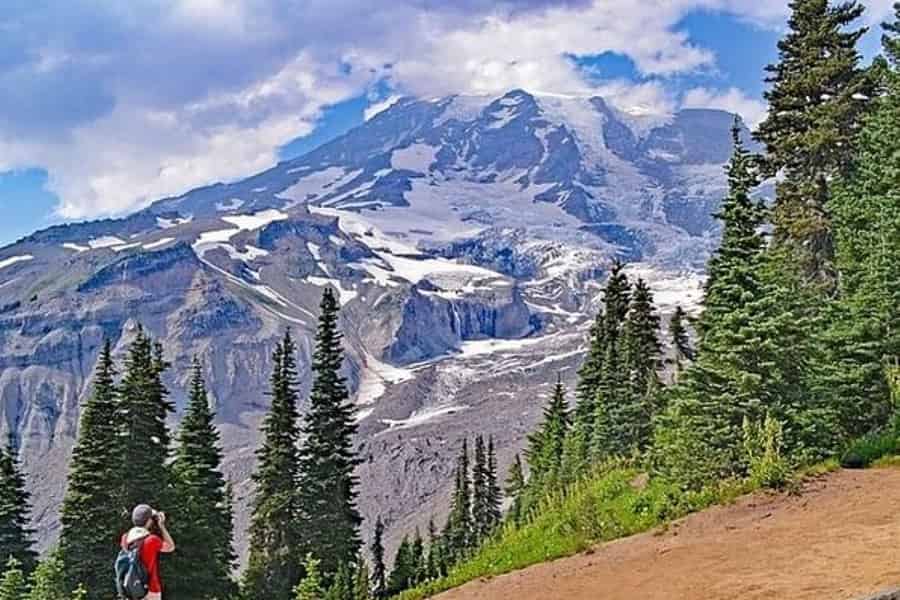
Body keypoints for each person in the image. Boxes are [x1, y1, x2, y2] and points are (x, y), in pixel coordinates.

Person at [121, 504, 176, 600]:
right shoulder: (152, 540)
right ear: (149, 521)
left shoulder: (125, 538)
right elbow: (170, 547)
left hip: (132, 587)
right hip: (151, 589)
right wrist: (161, 525)